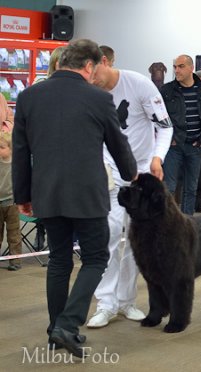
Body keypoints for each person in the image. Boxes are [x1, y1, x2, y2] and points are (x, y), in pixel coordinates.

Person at [12, 39, 137, 357]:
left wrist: (23, 195)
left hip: (47, 192)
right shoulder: (98, 98)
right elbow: (117, 143)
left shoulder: (28, 97)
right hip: (87, 193)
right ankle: (68, 324)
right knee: (96, 258)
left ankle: (56, 330)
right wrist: (131, 173)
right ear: (89, 66)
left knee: (59, 260)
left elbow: (21, 152)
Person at [87, 45, 173, 329]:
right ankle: (106, 303)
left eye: (93, 70)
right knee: (109, 237)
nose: (91, 77)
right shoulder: (90, 91)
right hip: (109, 173)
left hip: (142, 176)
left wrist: (157, 157)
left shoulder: (139, 85)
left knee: (138, 242)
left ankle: (127, 301)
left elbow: (165, 126)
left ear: (105, 62)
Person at [160, 54, 201, 215]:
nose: (177, 70)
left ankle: (187, 224)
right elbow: (157, 116)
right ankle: (167, 224)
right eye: (175, 67)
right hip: (173, 148)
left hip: (195, 147)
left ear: (191, 68)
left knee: (191, 188)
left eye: (181, 66)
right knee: (169, 188)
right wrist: (169, 139)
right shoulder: (166, 90)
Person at [0, 131, 21, 271]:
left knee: (14, 233)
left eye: (2, 147)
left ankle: (15, 260)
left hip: (12, 203)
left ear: (10, 148)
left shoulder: (16, 164)